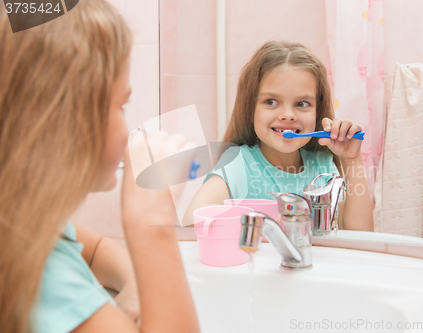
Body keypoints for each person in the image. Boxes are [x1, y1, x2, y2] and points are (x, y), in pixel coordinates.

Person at [0, 1, 199, 332]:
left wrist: (135, 285)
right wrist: (152, 221)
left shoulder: (21, 224)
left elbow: (93, 251)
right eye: (122, 104)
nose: (128, 123)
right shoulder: (38, 275)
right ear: (69, 122)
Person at [186, 41, 373, 231]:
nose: (288, 115)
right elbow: (193, 220)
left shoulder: (322, 167)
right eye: (271, 101)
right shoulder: (238, 164)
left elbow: (361, 237)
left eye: (301, 104)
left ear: (318, 112)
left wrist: (352, 160)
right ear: (251, 109)